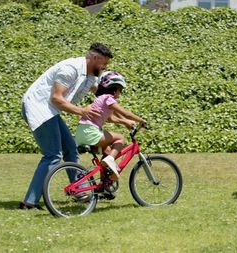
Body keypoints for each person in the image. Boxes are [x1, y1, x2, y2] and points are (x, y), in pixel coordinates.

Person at [20, 43, 125, 210]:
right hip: (38, 107)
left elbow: (102, 97)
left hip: (51, 111)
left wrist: (120, 112)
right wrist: (81, 111)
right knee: (53, 155)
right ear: (95, 58)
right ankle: (29, 202)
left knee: (70, 148)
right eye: (104, 63)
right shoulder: (71, 69)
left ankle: (80, 191)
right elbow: (56, 98)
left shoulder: (92, 75)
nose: (105, 67)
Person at [75, 71, 147, 180]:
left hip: (82, 132)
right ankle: (110, 160)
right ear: (114, 89)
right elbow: (125, 113)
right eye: (120, 90)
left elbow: (110, 118)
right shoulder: (109, 98)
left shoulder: (101, 98)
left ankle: (104, 185)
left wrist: (125, 122)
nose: (120, 94)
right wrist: (140, 120)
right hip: (91, 132)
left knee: (108, 152)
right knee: (120, 138)